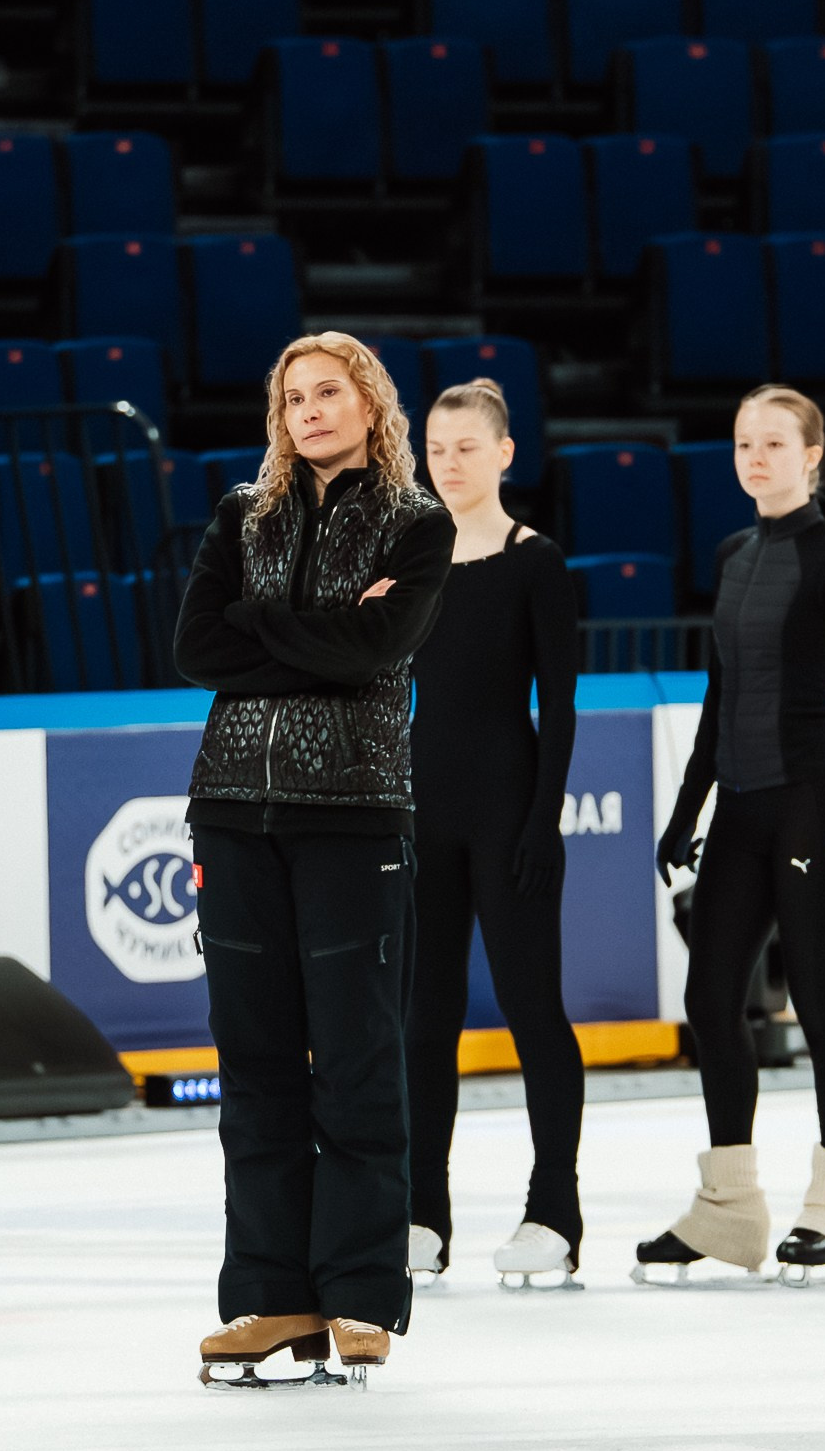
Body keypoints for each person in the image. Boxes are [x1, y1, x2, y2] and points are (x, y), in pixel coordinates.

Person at [174, 332, 453, 1385]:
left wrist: (268, 625)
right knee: (251, 1068)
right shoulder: (238, 516)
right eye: (293, 397)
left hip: (355, 816)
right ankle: (269, 1296)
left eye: (328, 392)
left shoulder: (416, 526)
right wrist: (317, 625)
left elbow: (376, 653)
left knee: (357, 1059)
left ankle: (361, 1295)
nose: (310, 411)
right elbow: (196, 647)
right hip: (234, 811)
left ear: (370, 405)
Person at [642, 386, 825, 1286]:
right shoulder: (734, 553)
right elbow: (722, 693)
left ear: (811, 454)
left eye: (775, 442)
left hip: (812, 801)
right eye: (745, 441)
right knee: (712, 1001)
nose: (756, 456)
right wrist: (687, 807)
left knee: (822, 1004)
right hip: (742, 807)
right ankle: (729, 1211)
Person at [404, 376, 585, 1289]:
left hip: (508, 808)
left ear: (505, 453)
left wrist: (542, 820)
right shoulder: (411, 560)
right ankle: (420, 1213)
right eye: (436, 450)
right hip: (423, 813)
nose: (450, 463)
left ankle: (556, 1209)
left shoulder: (534, 560)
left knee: (531, 1011)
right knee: (421, 1020)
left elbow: (559, 705)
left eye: (466, 447)